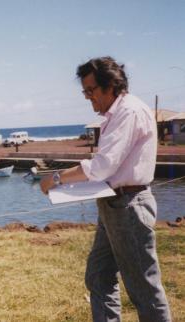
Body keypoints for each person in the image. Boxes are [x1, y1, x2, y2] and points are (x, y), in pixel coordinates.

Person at [40, 56, 172, 322]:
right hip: (114, 203)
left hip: (129, 206)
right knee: (99, 276)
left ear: (111, 85)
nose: (88, 98)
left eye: (91, 91)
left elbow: (103, 165)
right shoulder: (117, 113)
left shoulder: (129, 112)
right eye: (84, 92)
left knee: (144, 290)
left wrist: (57, 178)